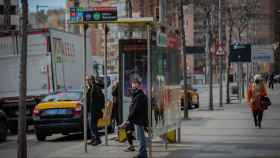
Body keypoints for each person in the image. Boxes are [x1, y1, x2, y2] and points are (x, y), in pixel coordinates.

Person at [120, 79, 149, 158]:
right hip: (138, 120)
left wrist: (127, 120)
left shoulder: (140, 96)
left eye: (135, 84)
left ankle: (143, 154)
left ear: (139, 85)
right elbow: (133, 109)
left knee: (141, 137)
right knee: (140, 137)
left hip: (139, 120)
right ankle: (143, 153)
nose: (133, 86)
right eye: (133, 84)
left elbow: (135, 110)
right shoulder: (137, 95)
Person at [86, 76, 105, 145]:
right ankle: (93, 139)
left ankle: (98, 139)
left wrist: (99, 108)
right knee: (91, 126)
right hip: (90, 110)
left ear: (93, 80)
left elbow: (101, 99)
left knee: (93, 126)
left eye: (89, 80)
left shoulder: (96, 88)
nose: (88, 81)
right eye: (87, 80)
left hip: (95, 110)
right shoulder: (91, 88)